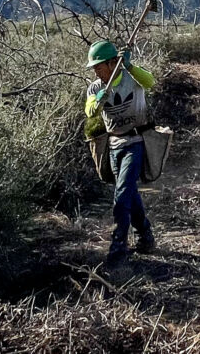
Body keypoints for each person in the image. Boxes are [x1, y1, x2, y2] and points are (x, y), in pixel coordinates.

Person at [84, 39, 157, 266]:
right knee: (130, 194)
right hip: (114, 146)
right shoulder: (96, 87)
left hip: (135, 142)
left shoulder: (131, 78)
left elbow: (150, 81)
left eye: (99, 66)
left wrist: (131, 66)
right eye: (94, 68)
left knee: (122, 195)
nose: (96, 71)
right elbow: (89, 112)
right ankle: (146, 236)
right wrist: (96, 102)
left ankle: (118, 247)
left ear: (112, 62)